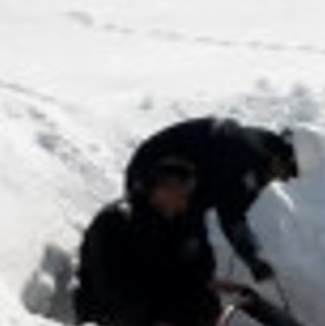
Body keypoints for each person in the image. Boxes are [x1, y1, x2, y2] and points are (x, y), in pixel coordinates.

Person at [74, 160, 220, 326]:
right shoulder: (116, 221)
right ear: (162, 189)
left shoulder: (165, 222)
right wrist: (155, 323)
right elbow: (113, 289)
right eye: (182, 195)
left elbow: (174, 276)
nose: (185, 204)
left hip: (146, 314)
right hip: (107, 316)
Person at [124, 117, 299, 283]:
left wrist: (252, 257)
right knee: (177, 255)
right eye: (290, 172)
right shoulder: (247, 158)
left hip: (180, 189)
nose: (285, 179)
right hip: (154, 178)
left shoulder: (259, 153)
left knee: (198, 260)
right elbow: (231, 214)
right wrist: (252, 258)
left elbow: (231, 209)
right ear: (282, 156)